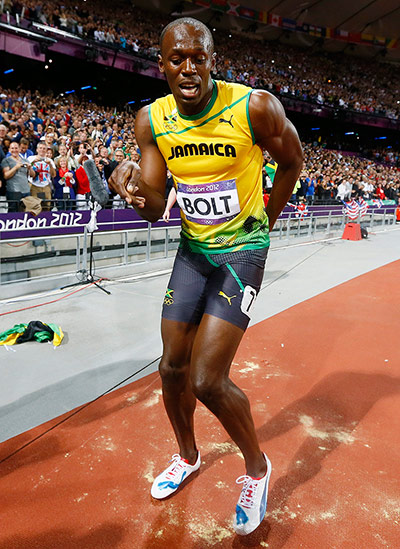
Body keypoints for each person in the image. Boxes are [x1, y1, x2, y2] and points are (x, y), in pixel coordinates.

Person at [110, 17, 303, 536]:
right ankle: (189, 456)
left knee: (207, 379)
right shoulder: (151, 121)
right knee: (172, 370)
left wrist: (268, 220)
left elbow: (292, 161)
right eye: (177, 59)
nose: (188, 68)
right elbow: (153, 207)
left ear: (213, 61)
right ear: (162, 65)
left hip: (242, 251)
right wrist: (127, 181)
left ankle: (257, 471)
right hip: (193, 250)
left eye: (199, 57)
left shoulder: (253, 107)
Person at [1, 141, 34, 212]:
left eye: (16, 148)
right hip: (13, 191)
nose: (14, 150)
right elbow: (6, 176)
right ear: (9, 150)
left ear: (19, 149)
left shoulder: (25, 160)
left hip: (26, 190)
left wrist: (30, 168)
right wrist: (16, 167)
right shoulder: (6, 160)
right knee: (13, 213)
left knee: (26, 212)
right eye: (12, 148)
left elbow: (32, 175)